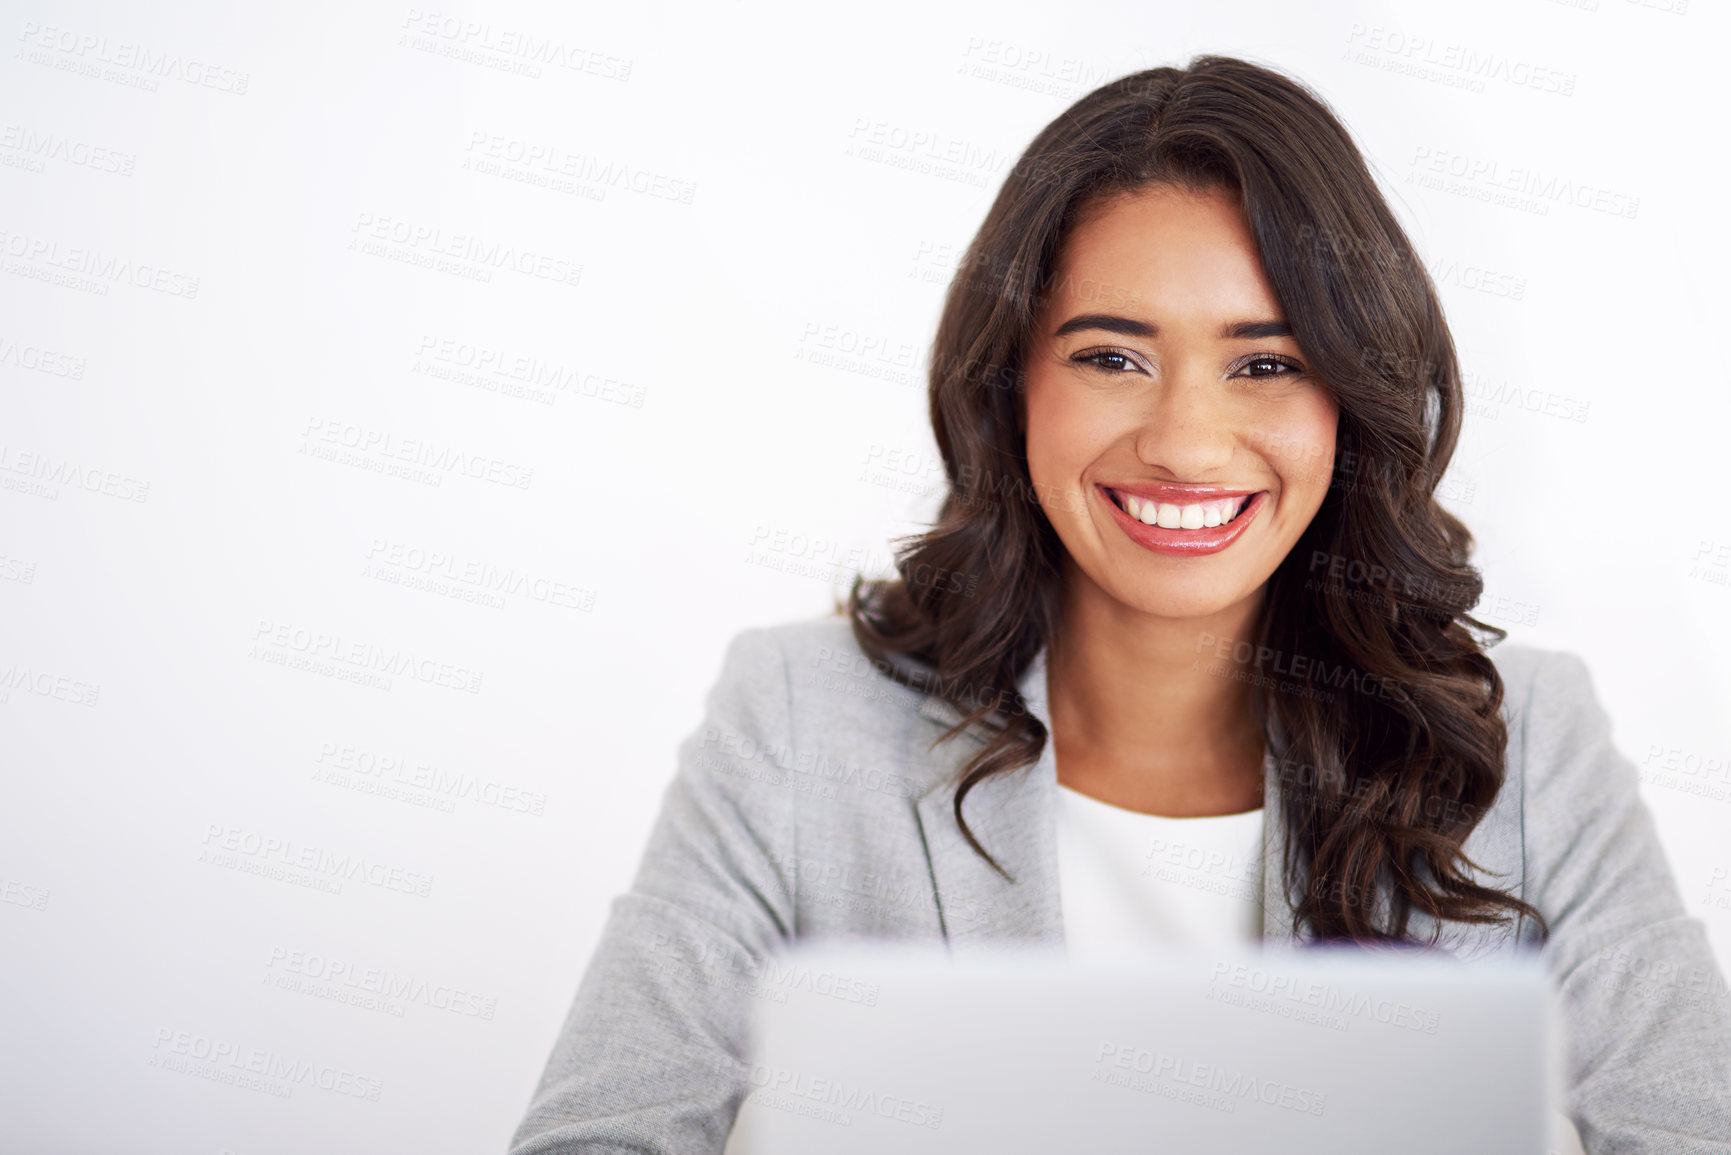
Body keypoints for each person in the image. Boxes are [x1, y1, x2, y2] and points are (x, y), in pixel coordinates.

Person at [507, 55, 1731, 1153]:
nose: (1189, 446)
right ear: (1011, 385)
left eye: (1268, 364)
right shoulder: (796, 719)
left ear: (1351, 400)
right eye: (1111, 357)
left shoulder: (1534, 741)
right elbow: (597, 1135)